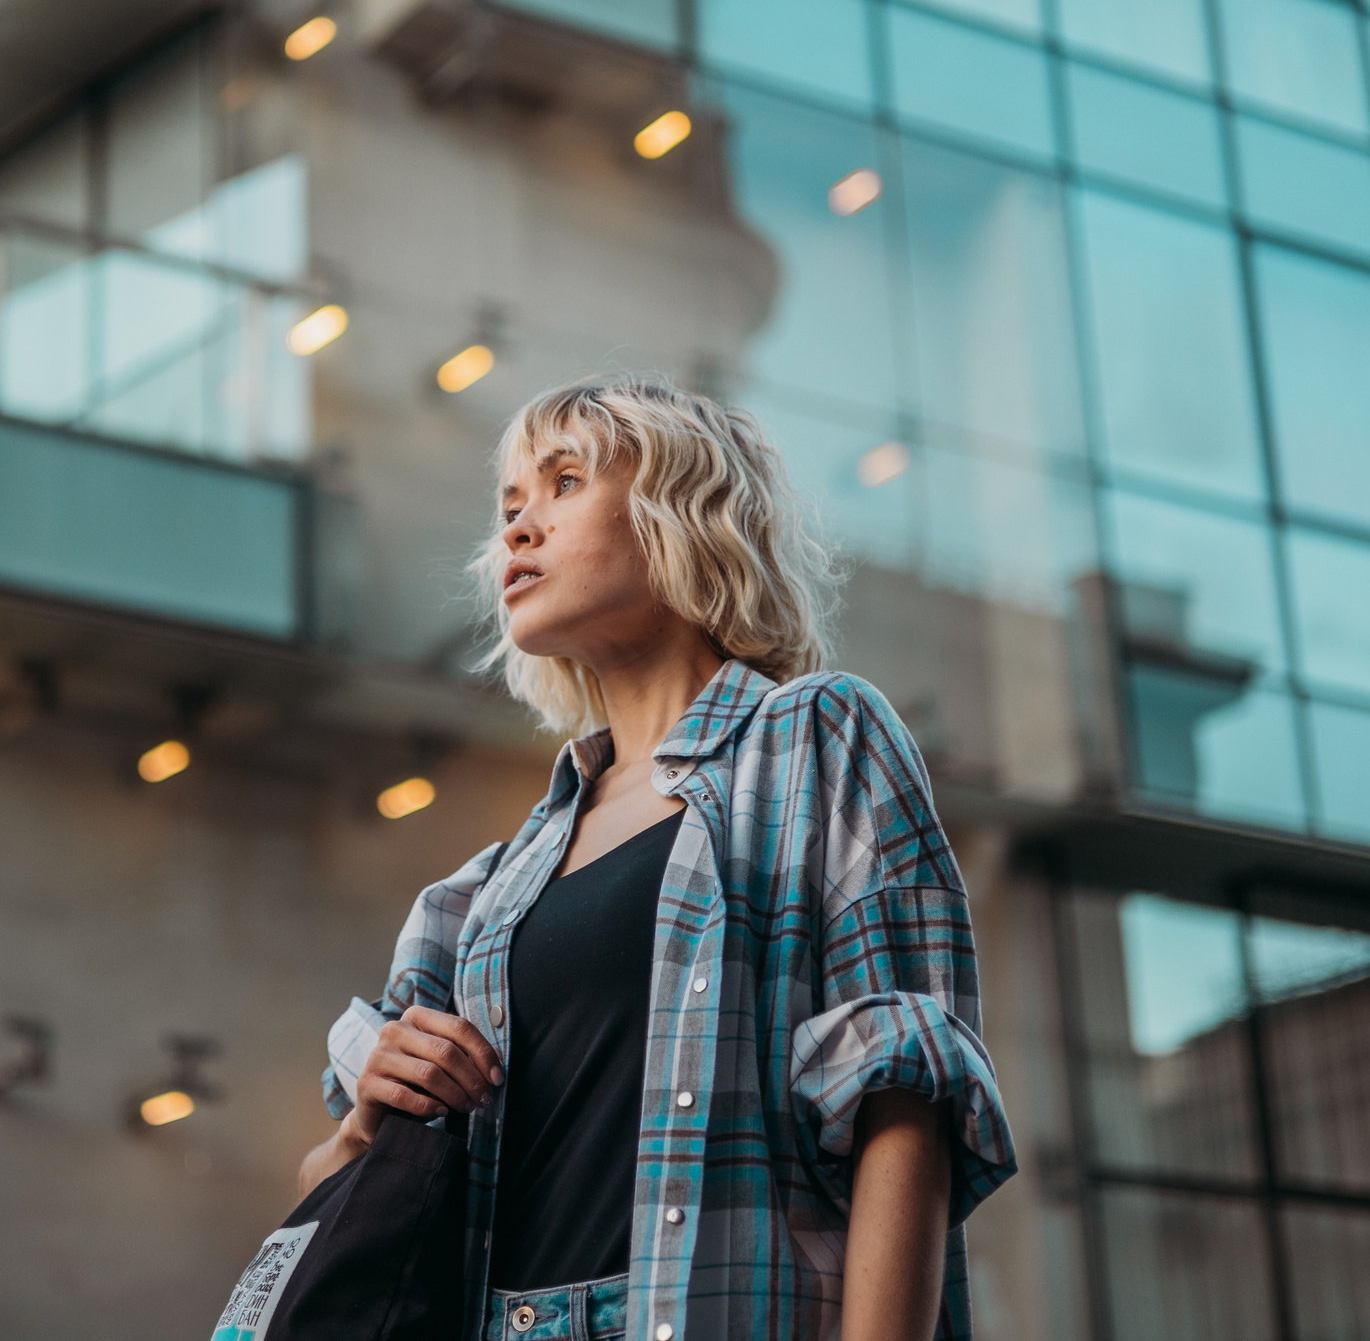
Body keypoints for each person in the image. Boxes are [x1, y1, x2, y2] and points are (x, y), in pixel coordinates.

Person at [298, 376, 1017, 1341]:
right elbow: (328, 1202)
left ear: (682, 512)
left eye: (563, 482)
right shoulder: (476, 894)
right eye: (509, 506)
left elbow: (906, 1099)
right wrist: (366, 1114)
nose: (518, 528)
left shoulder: (814, 738)